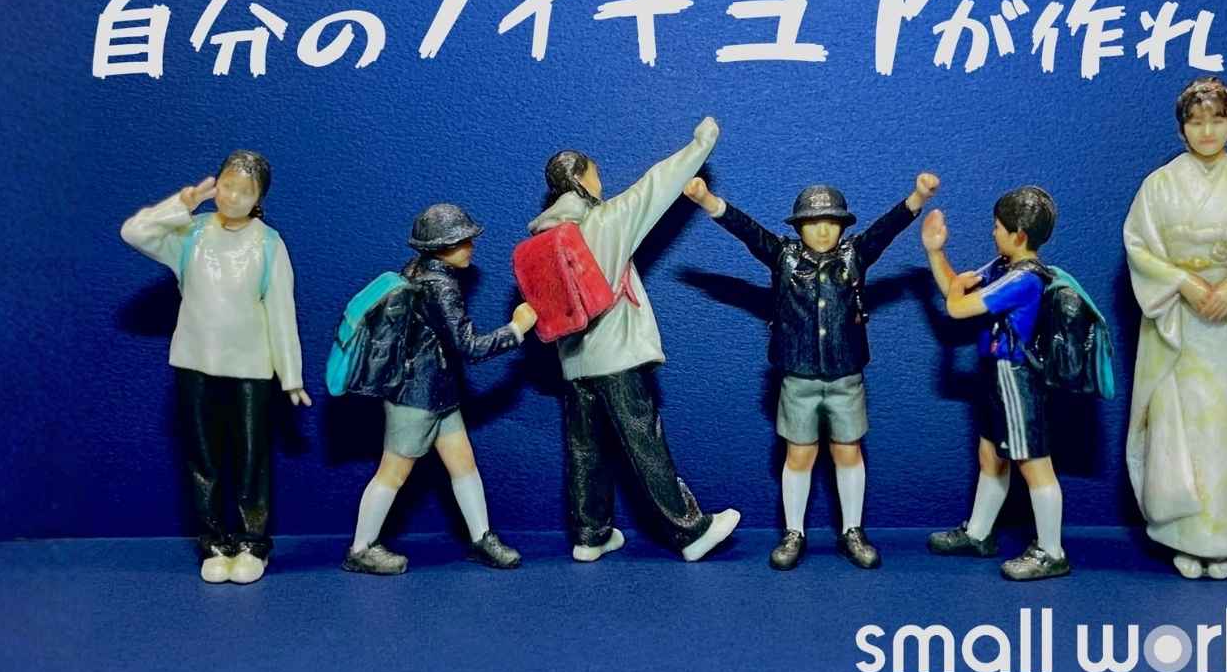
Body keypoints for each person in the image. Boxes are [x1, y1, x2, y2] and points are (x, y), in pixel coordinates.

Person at [681, 174, 939, 569]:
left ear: (843, 226)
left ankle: (852, 530)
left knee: (848, 452)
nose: (822, 230)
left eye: (831, 222)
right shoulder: (783, 256)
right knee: (799, 455)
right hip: (798, 378)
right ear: (799, 226)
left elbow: (886, 229)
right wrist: (707, 200)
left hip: (846, 377)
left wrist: (918, 197)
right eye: (813, 222)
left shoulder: (855, 255)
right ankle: (793, 531)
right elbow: (747, 231)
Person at [527, 118, 741, 562]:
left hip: (573, 362)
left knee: (585, 448)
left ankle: (590, 536)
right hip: (616, 356)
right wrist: (700, 145)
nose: (600, 181)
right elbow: (656, 185)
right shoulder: (606, 221)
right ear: (581, 179)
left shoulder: (544, 238)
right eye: (595, 174)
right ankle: (690, 531)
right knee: (644, 440)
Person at [1123, 78, 1227, 579]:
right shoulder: (1159, 186)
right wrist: (1183, 283)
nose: (1207, 131)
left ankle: (1224, 538)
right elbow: (1139, 246)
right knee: (1180, 428)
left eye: (1217, 120)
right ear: (1182, 129)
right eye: (1196, 122)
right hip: (1180, 322)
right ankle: (1184, 536)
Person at [119, 150, 307, 585]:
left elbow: (281, 311)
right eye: (227, 186)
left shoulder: (268, 244)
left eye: (245, 191)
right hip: (195, 360)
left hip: (251, 366)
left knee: (251, 457)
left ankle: (252, 543)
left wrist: (291, 374)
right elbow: (133, 232)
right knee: (202, 457)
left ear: (259, 198)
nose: (233, 196)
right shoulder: (191, 233)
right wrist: (181, 204)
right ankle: (215, 543)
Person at [921, 185, 1111, 581]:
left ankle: (1051, 551)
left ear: (1019, 235)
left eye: (997, 227)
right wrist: (936, 252)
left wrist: (955, 291)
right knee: (991, 456)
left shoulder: (1024, 279)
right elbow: (957, 286)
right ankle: (978, 534)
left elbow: (957, 305)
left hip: (1016, 377)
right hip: (995, 375)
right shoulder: (1003, 267)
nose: (993, 233)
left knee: (1033, 464)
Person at [342, 204, 537, 575]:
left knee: (463, 464)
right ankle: (361, 548)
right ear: (441, 247)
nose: (471, 246)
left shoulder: (416, 270)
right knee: (392, 473)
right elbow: (469, 347)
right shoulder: (441, 286)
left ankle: (481, 538)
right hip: (416, 398)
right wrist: (516, 330)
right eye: (462, 241)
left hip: (438, 393)